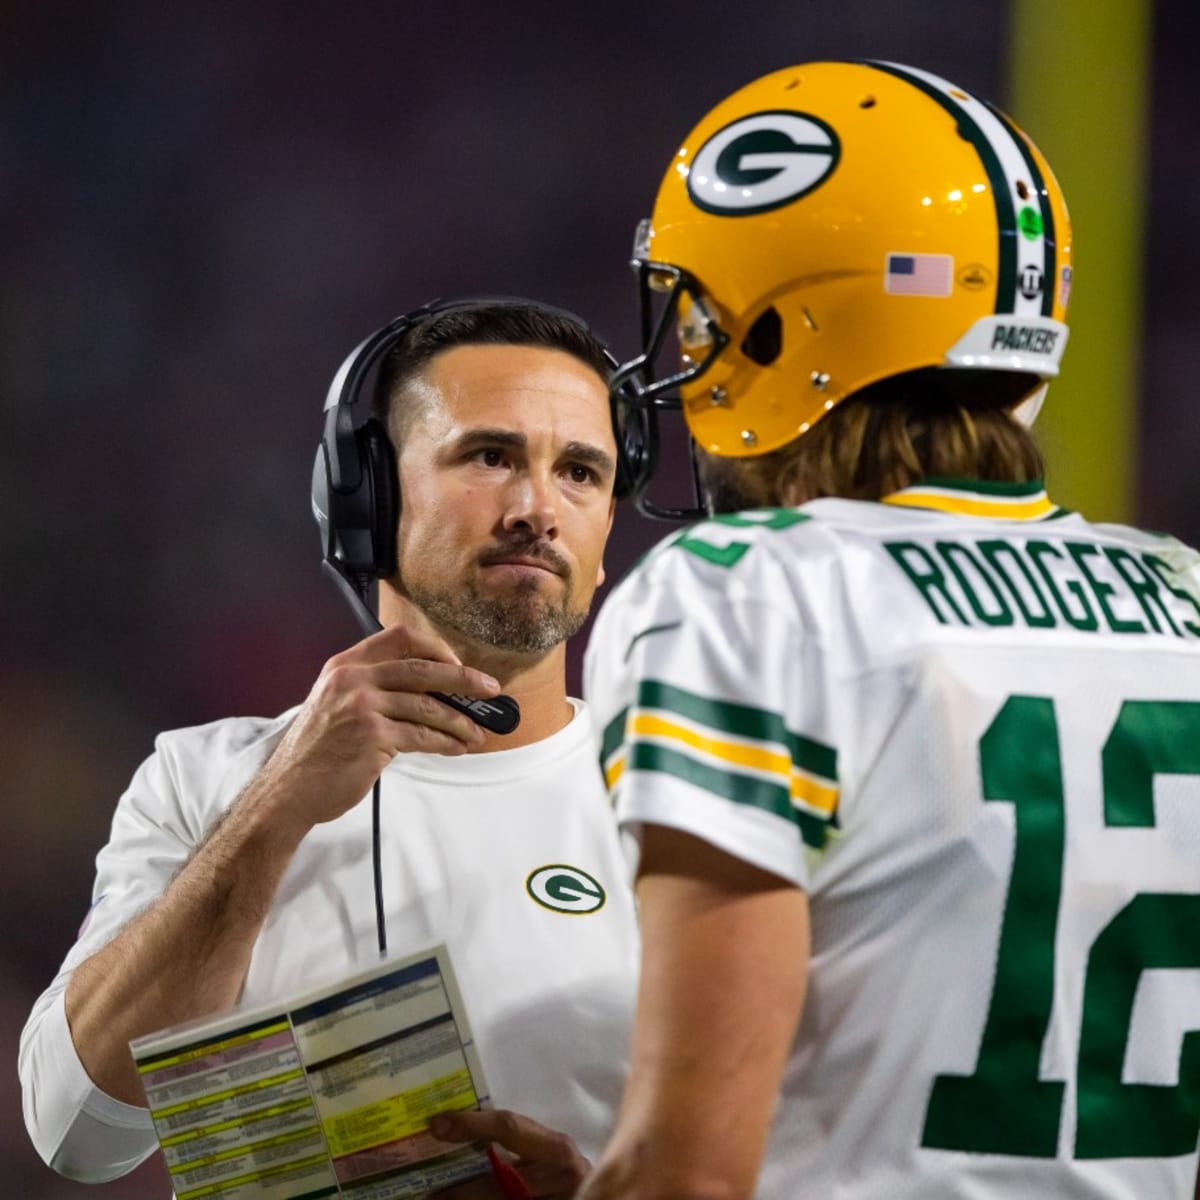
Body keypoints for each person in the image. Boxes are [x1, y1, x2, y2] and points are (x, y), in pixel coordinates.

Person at [580, 61, 1200, 1200]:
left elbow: (690, 1170)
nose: (687, 353)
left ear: (780, 324)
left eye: (705, 317)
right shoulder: (1183, 598)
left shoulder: (744, 595)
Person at [19, 299, 639, 1195]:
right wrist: (278, 806)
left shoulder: (689, 801)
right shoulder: (205, 779)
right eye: (490, 456)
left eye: (580, 471)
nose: (539, 507)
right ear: (367, 497)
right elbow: (79, 1131)